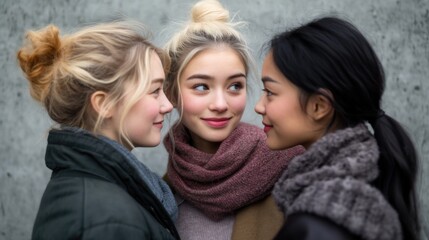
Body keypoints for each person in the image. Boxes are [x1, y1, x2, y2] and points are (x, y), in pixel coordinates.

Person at [255, 16, 420, 240]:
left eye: (270, 92)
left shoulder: (318, 223)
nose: (259, 107)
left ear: (319, 106)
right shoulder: (362, 189)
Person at [17, 21, 181, 239]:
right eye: (155, 91)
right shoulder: (105, 218)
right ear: (104, 104)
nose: (168, 105)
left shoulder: (104, 198)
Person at [162, 0, 304, 239]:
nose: (220, 104)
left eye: (235, 86)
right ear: (171, 94)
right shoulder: (162, 193)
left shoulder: (293, 172)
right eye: (201, 86)